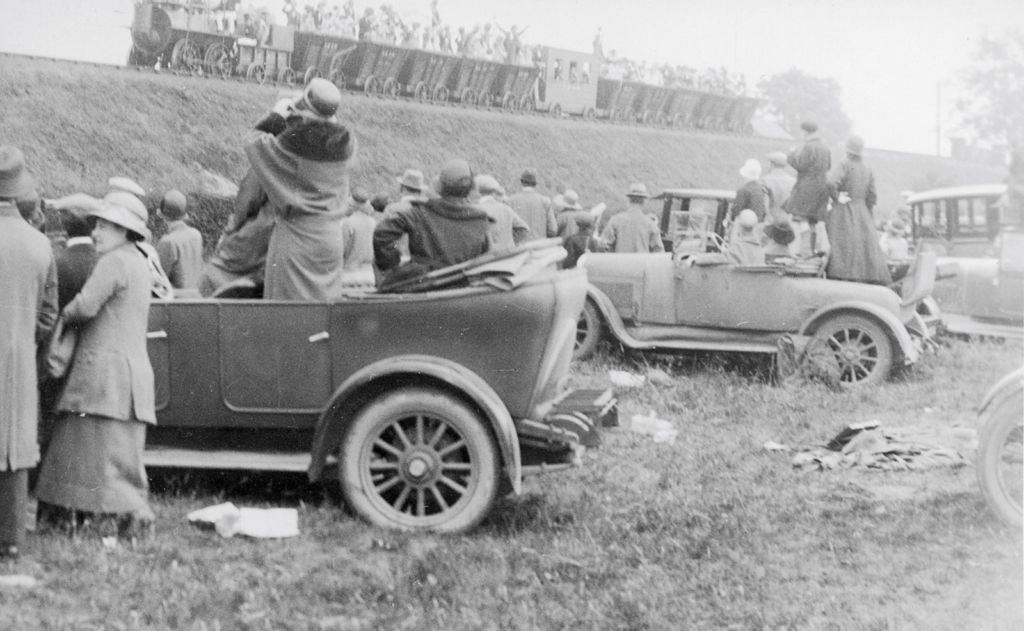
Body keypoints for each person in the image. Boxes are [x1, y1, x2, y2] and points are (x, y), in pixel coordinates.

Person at [35, 191, 156, 538]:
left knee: (81, 448)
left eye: (104, 225)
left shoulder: (115, 261)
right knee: (114, 454)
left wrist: (64, 314)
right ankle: (123, 519)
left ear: (123, 230)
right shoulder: (138, 260)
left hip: (103, 373)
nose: (97, 233)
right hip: (127, 373)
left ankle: (71, 519)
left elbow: (85, 306)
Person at [247, 78, 356, 300]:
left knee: (288, 313)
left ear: (305, 103)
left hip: (298, 239)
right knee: (323, 313)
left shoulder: (293, 146)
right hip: (331, 239)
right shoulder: (348, 144)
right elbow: (326, 127)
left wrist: (277, 115)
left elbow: (253, 140)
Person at [0, 146, 58, 558]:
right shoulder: (40, 246)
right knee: (15, 444)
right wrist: (21, 337)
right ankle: (10, 539)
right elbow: (48, 316)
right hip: (18, 358)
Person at [374, 158, 492, 287]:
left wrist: (391, 264)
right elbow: (485, 258)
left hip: (420, 284)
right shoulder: (480, 220)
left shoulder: (420, 212)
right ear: (471, 188)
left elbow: (382, 233)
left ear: (440, 186)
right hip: (460, 287)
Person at [825, 136, 891, 285]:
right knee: (863, 248)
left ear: (847, 151)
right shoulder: (868, 169)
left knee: (842, 247)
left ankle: (840, 280)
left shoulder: (844, 165)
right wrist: (866, 213)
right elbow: (872, 196)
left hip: (844, 209)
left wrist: (837, 197)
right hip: (862, 211)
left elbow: (829, 182)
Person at [786, 121, 831, 255]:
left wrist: (791, 154)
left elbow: (800, 165)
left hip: (807, 186)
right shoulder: (825, 147)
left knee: (802, 218)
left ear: (805, 131)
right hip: (822, 187)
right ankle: (811, 251)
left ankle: (805, 252)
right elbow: (828, 167)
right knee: (813, 221)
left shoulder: (808, 147)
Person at [156, 190, 204, 293]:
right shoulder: (196, 234)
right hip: (197, 296)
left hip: (177, 301)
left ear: (163, 215)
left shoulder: (168, 241)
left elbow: (160, 279)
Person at [598, 183, 665, 254]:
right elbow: (659, 253)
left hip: (619, 263)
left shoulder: (615, 220)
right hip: (642, 264)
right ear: (644, 201)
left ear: (629, 200)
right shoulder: (651, 225)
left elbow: (603, 245)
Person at [475, 175, 529, 251]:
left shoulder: (475, 210)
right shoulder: (506, 209)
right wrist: (510, 244)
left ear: (478, 191)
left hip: (487, 258)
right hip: (507, 255)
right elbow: (524, 229)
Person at [338, 186, 377, 286]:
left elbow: (341, 250)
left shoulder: (346, 223)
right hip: (369, 275)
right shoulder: (373, 223)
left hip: (349, 275)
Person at [728, 158, 770, 241]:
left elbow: (736, 210)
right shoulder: (761, 189)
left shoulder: (743, 190)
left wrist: (730, 214)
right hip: (758, 227)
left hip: (744, 227)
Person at [508, 169, 556, 240]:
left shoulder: (511, 200)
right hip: (539, 244)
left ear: (522, 182)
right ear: (535, 184)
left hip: (518, 245)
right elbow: (552, 229)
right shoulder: (545, 201)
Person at [763, 151, 796, 222]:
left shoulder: (766, 180)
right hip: (787, 220)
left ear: (772, 164)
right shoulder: (793, 180)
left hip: (772, 219)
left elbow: (765, 203)